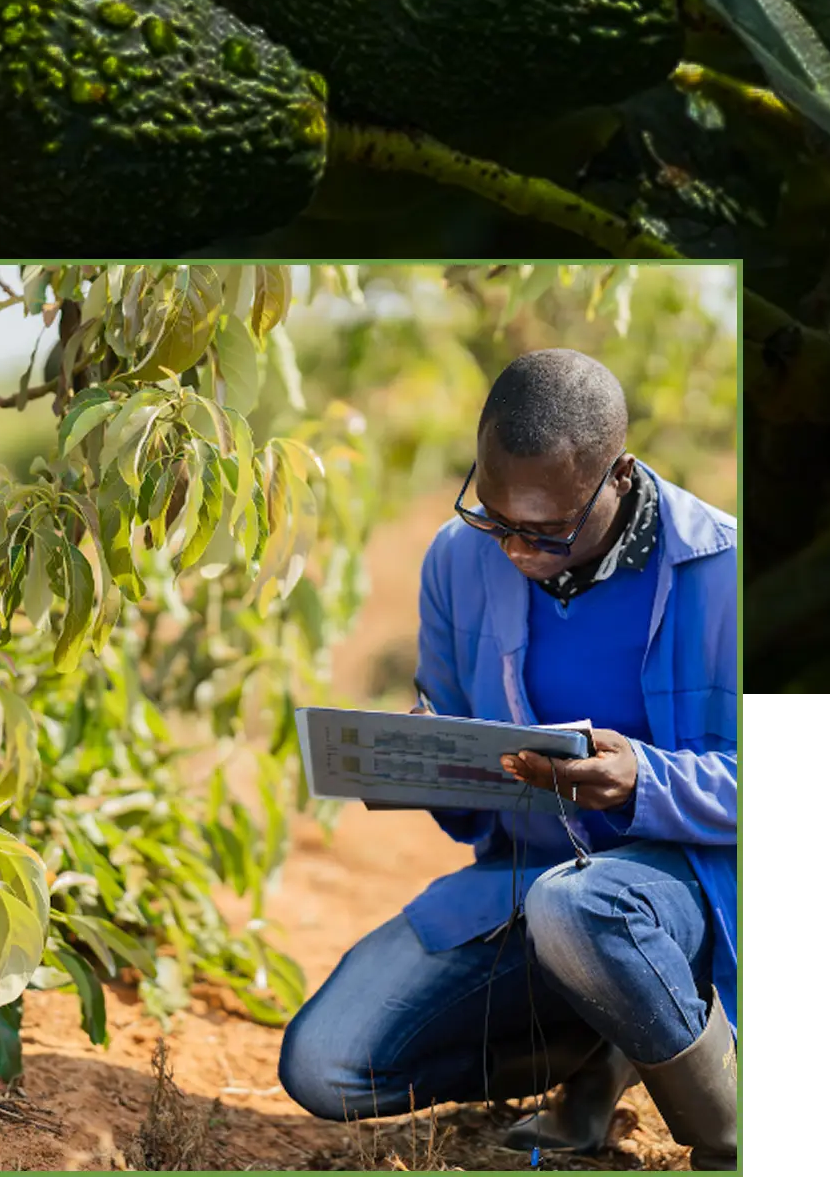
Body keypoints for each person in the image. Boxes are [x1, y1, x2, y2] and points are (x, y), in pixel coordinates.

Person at [277, 349, 737, 1171]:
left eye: (546, 530)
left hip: (681, 902)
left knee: (583, 909)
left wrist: (646, 780)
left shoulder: (729, 571)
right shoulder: (458, 559)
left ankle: (723, 1133)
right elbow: (464, 763)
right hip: (525, 892)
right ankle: (600, 1047)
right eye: (495, 517)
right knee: (326, 1065)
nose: (516, 550)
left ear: (619, 477)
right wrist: (427, 760)